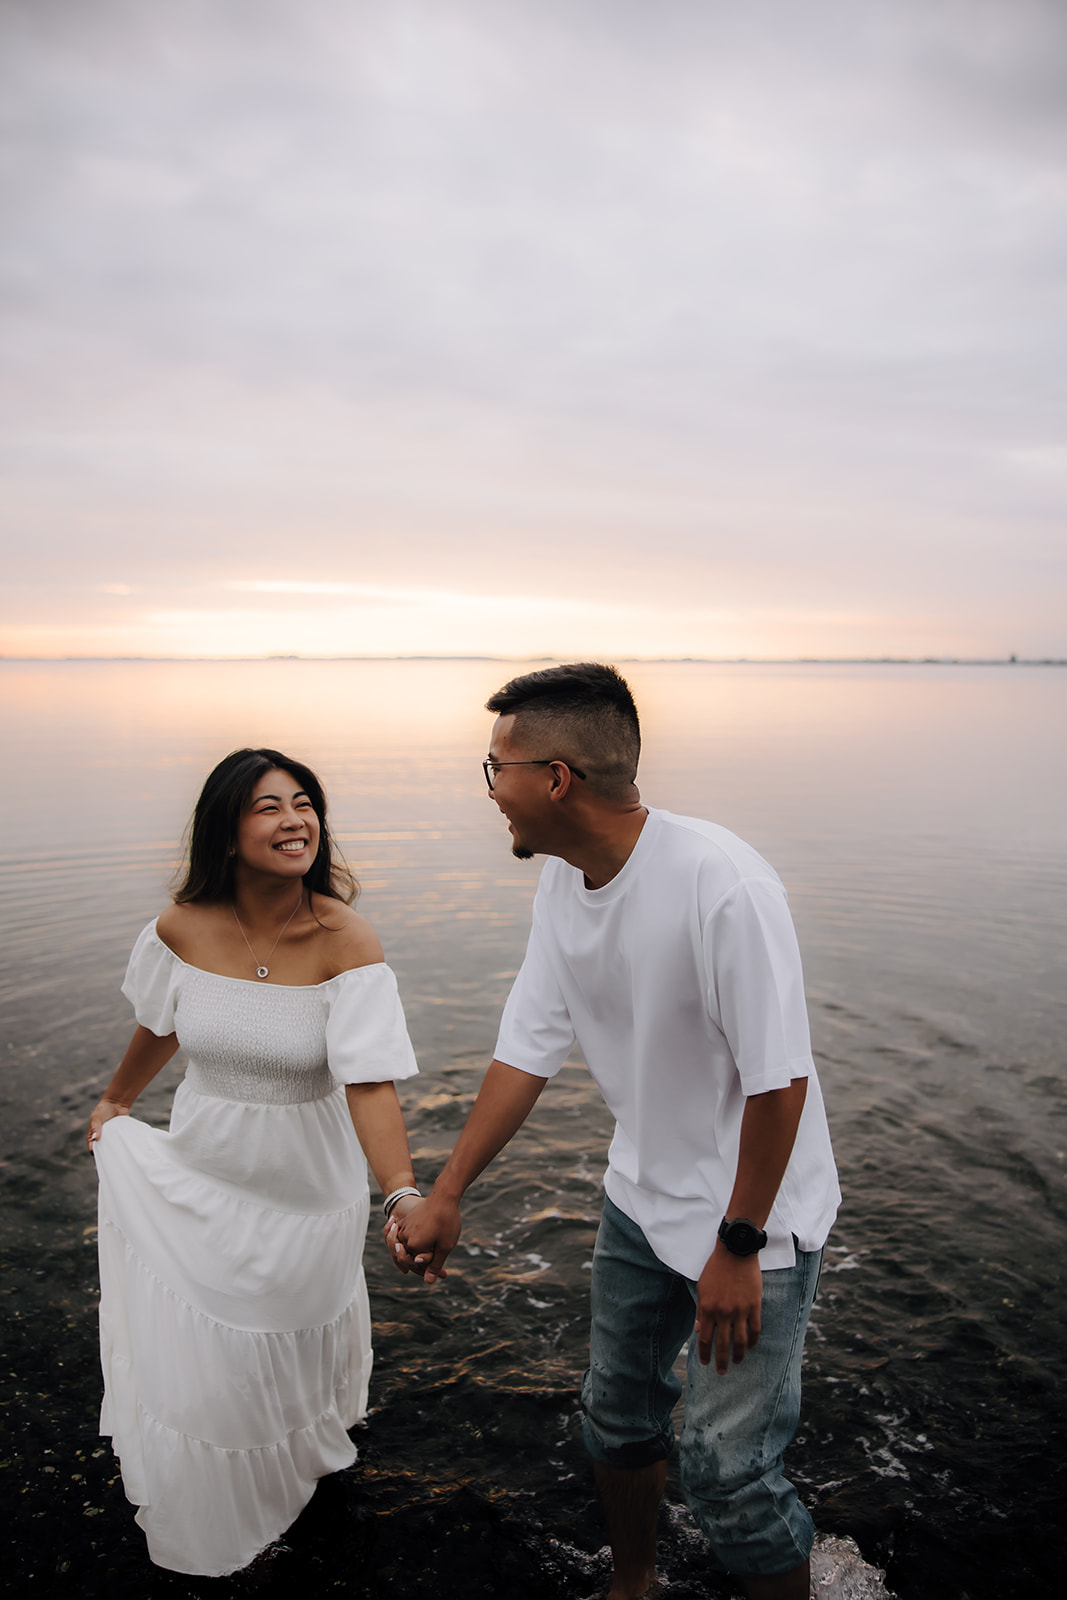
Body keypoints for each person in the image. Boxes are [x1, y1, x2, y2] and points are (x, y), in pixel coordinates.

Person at [391, 664, 840, 1600]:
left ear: (556, 779)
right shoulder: (564, 884)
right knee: (616, 1421)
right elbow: (525, 1053)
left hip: (755, 1221)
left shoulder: (722, 885)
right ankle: (631, 1588)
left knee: (728, 1477)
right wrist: (445, 1194)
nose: (488, 790)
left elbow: (780, 1081)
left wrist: (737, 1243)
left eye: (494, 767)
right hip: (640, 1198)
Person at [87, 747, 423, 1577]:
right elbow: (165, 1022)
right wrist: (117, 1101)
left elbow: (370, 1084)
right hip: (205, 1167)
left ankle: (298, 1450)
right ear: (225, 830)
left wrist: (401, 1193)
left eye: (304, 802)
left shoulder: (346, 938)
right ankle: (220, 1476)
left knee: (284, 1328)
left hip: (308, 1185)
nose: (293, 820)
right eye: (268, 806)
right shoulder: (180, 927)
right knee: (214, 1344)